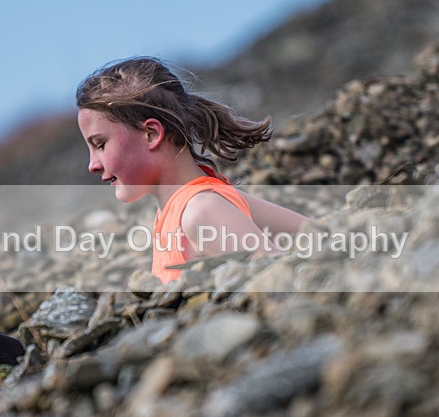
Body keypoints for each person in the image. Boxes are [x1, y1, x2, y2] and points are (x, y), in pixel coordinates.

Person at [76, 56, 314, 283]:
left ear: (152, 134)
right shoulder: (194, 205)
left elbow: (281, 284)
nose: (92, 165)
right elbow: (318, 233)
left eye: (100, 144)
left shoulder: (201, 211)